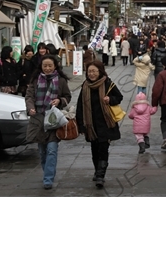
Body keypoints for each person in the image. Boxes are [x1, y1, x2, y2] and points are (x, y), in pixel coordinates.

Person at [25, 54, 71, 190]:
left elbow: (67, 96)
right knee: (42, 151)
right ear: (41, 66)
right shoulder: (35, 80)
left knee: (51, 150)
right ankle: (48, 172)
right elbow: (29, 96)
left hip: (53, 120)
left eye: (50, 65)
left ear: (55, 66)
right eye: (45, 66)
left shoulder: (61, 81)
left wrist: (60, 101)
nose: (47, 68)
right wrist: (30, 107)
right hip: (38, 120)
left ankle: (48, 179)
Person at [76, 60, 123, 188]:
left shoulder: (108, 83)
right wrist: (80, 125)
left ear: (100, 71)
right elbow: (80, 106)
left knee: (103, 149)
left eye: (94, 71)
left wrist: (110, 99)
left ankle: (100, 175)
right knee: (94, 150)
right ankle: (97, 170)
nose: (91, 74)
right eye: (89, 71)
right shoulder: (85, 86)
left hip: (105, 124)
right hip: (91, 125)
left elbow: (119, 97)